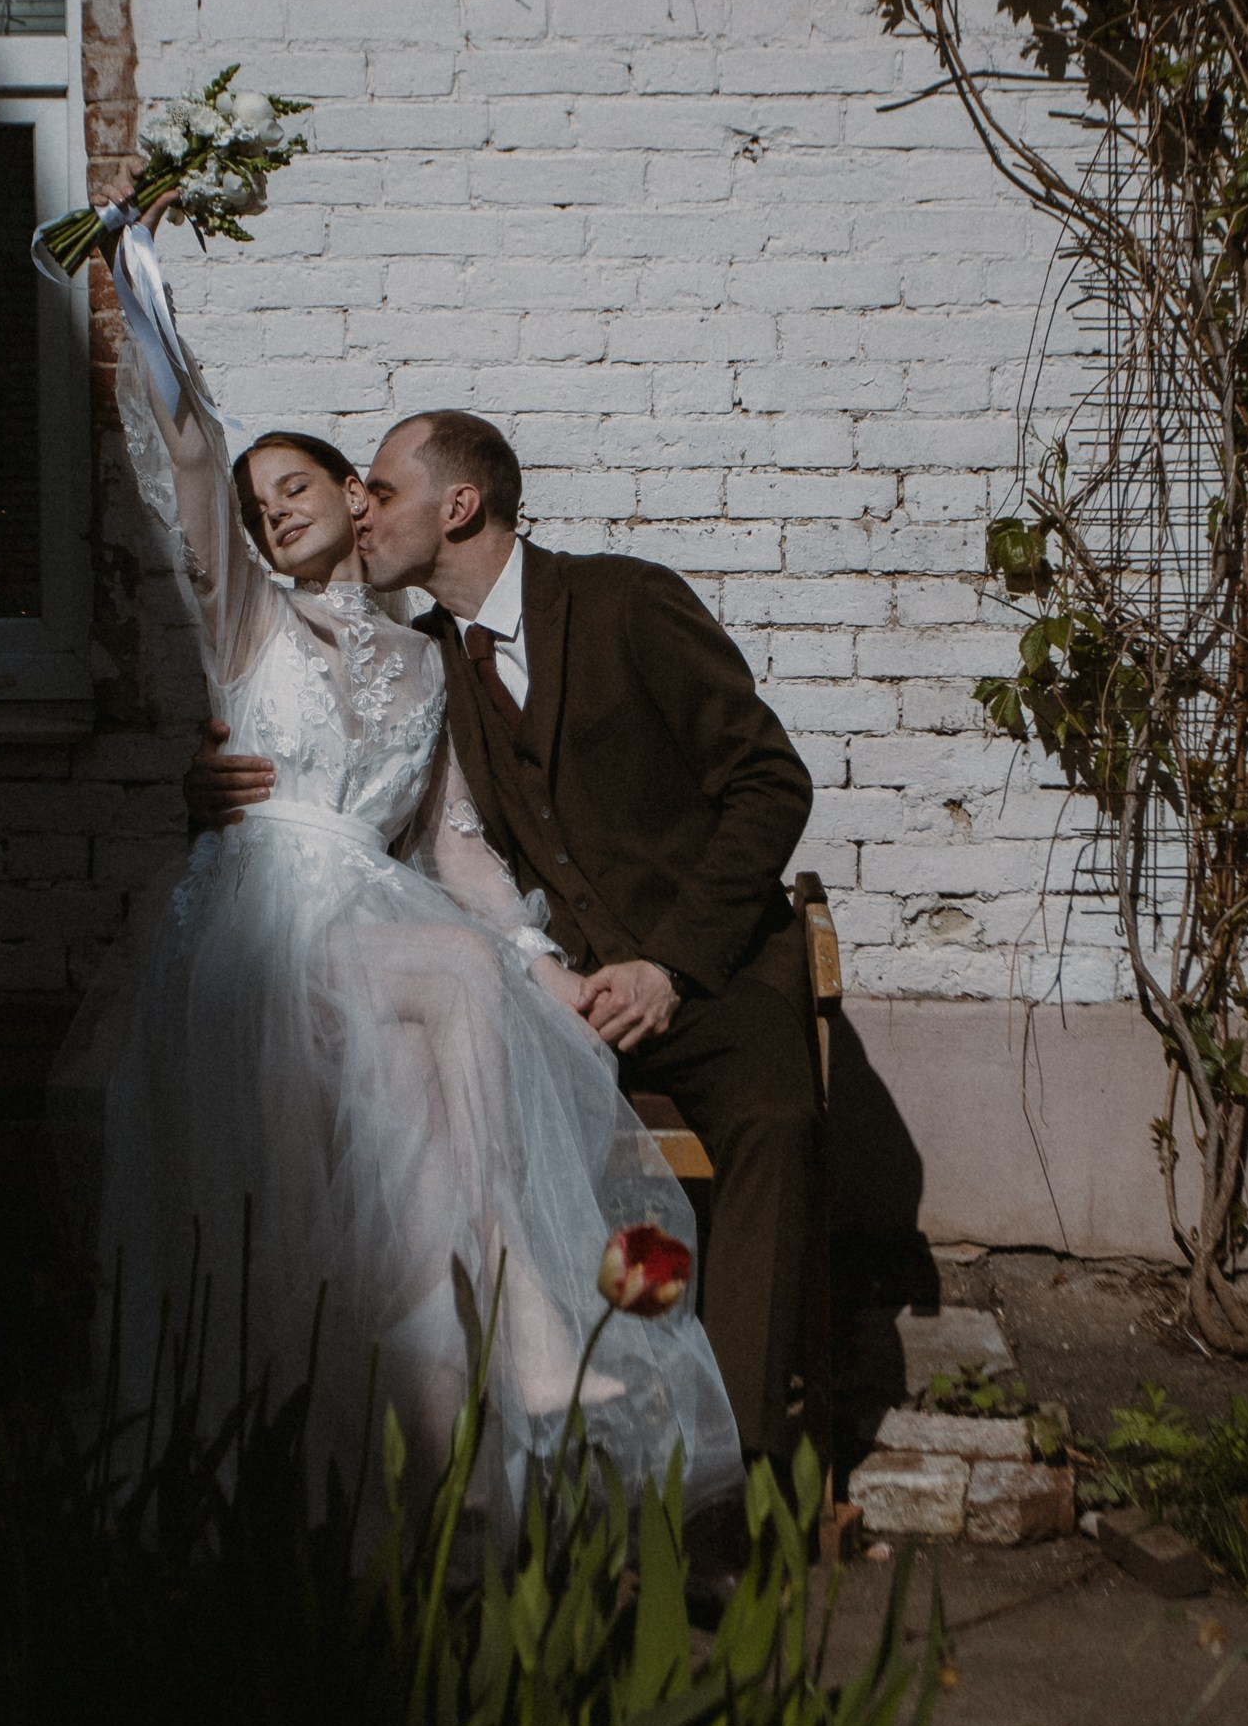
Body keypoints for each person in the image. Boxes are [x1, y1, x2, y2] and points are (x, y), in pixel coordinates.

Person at [54, 205, 742, 1541]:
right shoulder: (249, 626)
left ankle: (452, 1475)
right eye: (261, 512)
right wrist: (146, 307)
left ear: (358, 500)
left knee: (440, 1083)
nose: (274, 514)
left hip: (375, 922)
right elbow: (191, 463)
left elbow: (452, 849)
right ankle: (525, 1312)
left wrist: (551, 966)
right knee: (446, 971)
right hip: (265, 925)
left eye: (298, 488)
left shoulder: (428, 663)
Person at [188, 410, 818, 1472]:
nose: (358, 504)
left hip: (700, 971)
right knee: (447, 1093)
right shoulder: (422, 658)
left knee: (774, 1121)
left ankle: (723, 1487)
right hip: (554, 984)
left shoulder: (624, 599)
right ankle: (490, 1443)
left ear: (459, 504)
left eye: (378, 488)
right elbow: (427, 838)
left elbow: (770, 782)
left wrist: (668, 963)